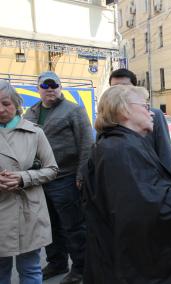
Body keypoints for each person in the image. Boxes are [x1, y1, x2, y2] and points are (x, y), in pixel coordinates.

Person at [82, 85, 171, 283]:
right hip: (125, 267)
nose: (151, 112)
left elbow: (145, 193)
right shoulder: (120, 149)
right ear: (124, 110)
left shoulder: (123, 144)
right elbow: (141, 208)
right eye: (145, 106)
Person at [24, 71, 93, 284]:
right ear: (39, 89)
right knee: (48, 225)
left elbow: (86, 144)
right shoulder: (31, 113)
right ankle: (57, 262)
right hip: (40, 179)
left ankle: (81, 268)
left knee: (73, 226)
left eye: (54, 85)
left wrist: (82, 174)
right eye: (45, 85)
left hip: (66, 177)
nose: (50, 88)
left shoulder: (74, 110)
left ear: (60, 87)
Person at [0, 80, 58, 283]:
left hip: (29, 209)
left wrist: (23, 177)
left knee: (31, 269)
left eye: (5, 103)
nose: (1, 109)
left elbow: (52, 169)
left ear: (16, 104)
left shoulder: (35, 132)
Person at [109, 68, 171, 170]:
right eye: (114, 88)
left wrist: (168, 182)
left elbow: (165, 152)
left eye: (124, 87)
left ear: (135, 88)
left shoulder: (153, 115)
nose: (119, 92)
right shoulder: (107, 117)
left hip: (151, 178)